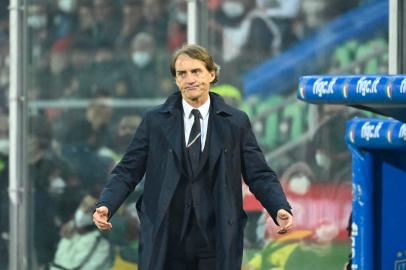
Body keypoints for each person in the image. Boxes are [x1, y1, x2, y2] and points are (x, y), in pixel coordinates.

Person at [93, 44, 293, 270]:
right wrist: (107, 204)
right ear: (176, 80)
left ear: (212, 74)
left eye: (196, 71)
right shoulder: (155, 121)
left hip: (217, 239)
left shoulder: (235, 123)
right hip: (165, 238)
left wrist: (279, 207)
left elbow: (259, 174)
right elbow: (128, 170)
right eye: (182, 74)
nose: (190, 79)